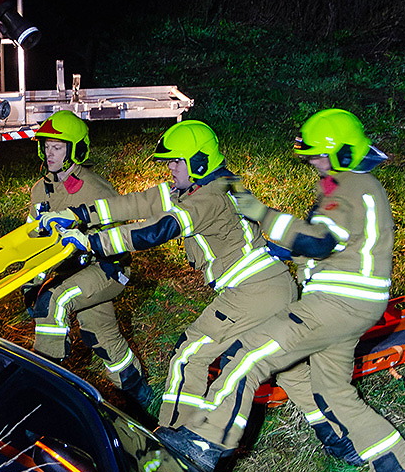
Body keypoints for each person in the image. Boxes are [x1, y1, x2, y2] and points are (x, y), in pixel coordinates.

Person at [160, 109, 405, 472]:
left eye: (317, 155)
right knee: (331, 389)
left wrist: (260, 213)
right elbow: (340, 246)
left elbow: (318, 240)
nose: (313, 162)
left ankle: (205, 441)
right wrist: (284, 252)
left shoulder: (348, 188)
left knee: (245, 357)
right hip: (355, 304)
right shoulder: (361, 187)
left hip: (334, 304)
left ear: (342, 153)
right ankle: (394, 461)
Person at [41, 120, 298, 425]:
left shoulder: (206, 199)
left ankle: (175, 433)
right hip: (271, 285)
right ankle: (348, 439)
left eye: (177, 161)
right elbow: (137, 203)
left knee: (188, 355)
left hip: (252, 291)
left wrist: (92, 241)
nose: (171, 169)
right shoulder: (216, 183)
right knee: (298, 375)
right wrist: (78, 214)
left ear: (199, 162)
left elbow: (158, 229)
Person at [25, 110, 153, 411]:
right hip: (74, 272)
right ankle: (140, 395)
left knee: (54, 303)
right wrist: (32, 281)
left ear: (75, 150)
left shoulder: (96, 188)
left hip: (107, 269)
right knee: (101, 334)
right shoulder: (39, 190)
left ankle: (45, 388)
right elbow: (32, 240)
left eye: (57, 147)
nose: (49, 153)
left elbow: (118, 239)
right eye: (46, 146)